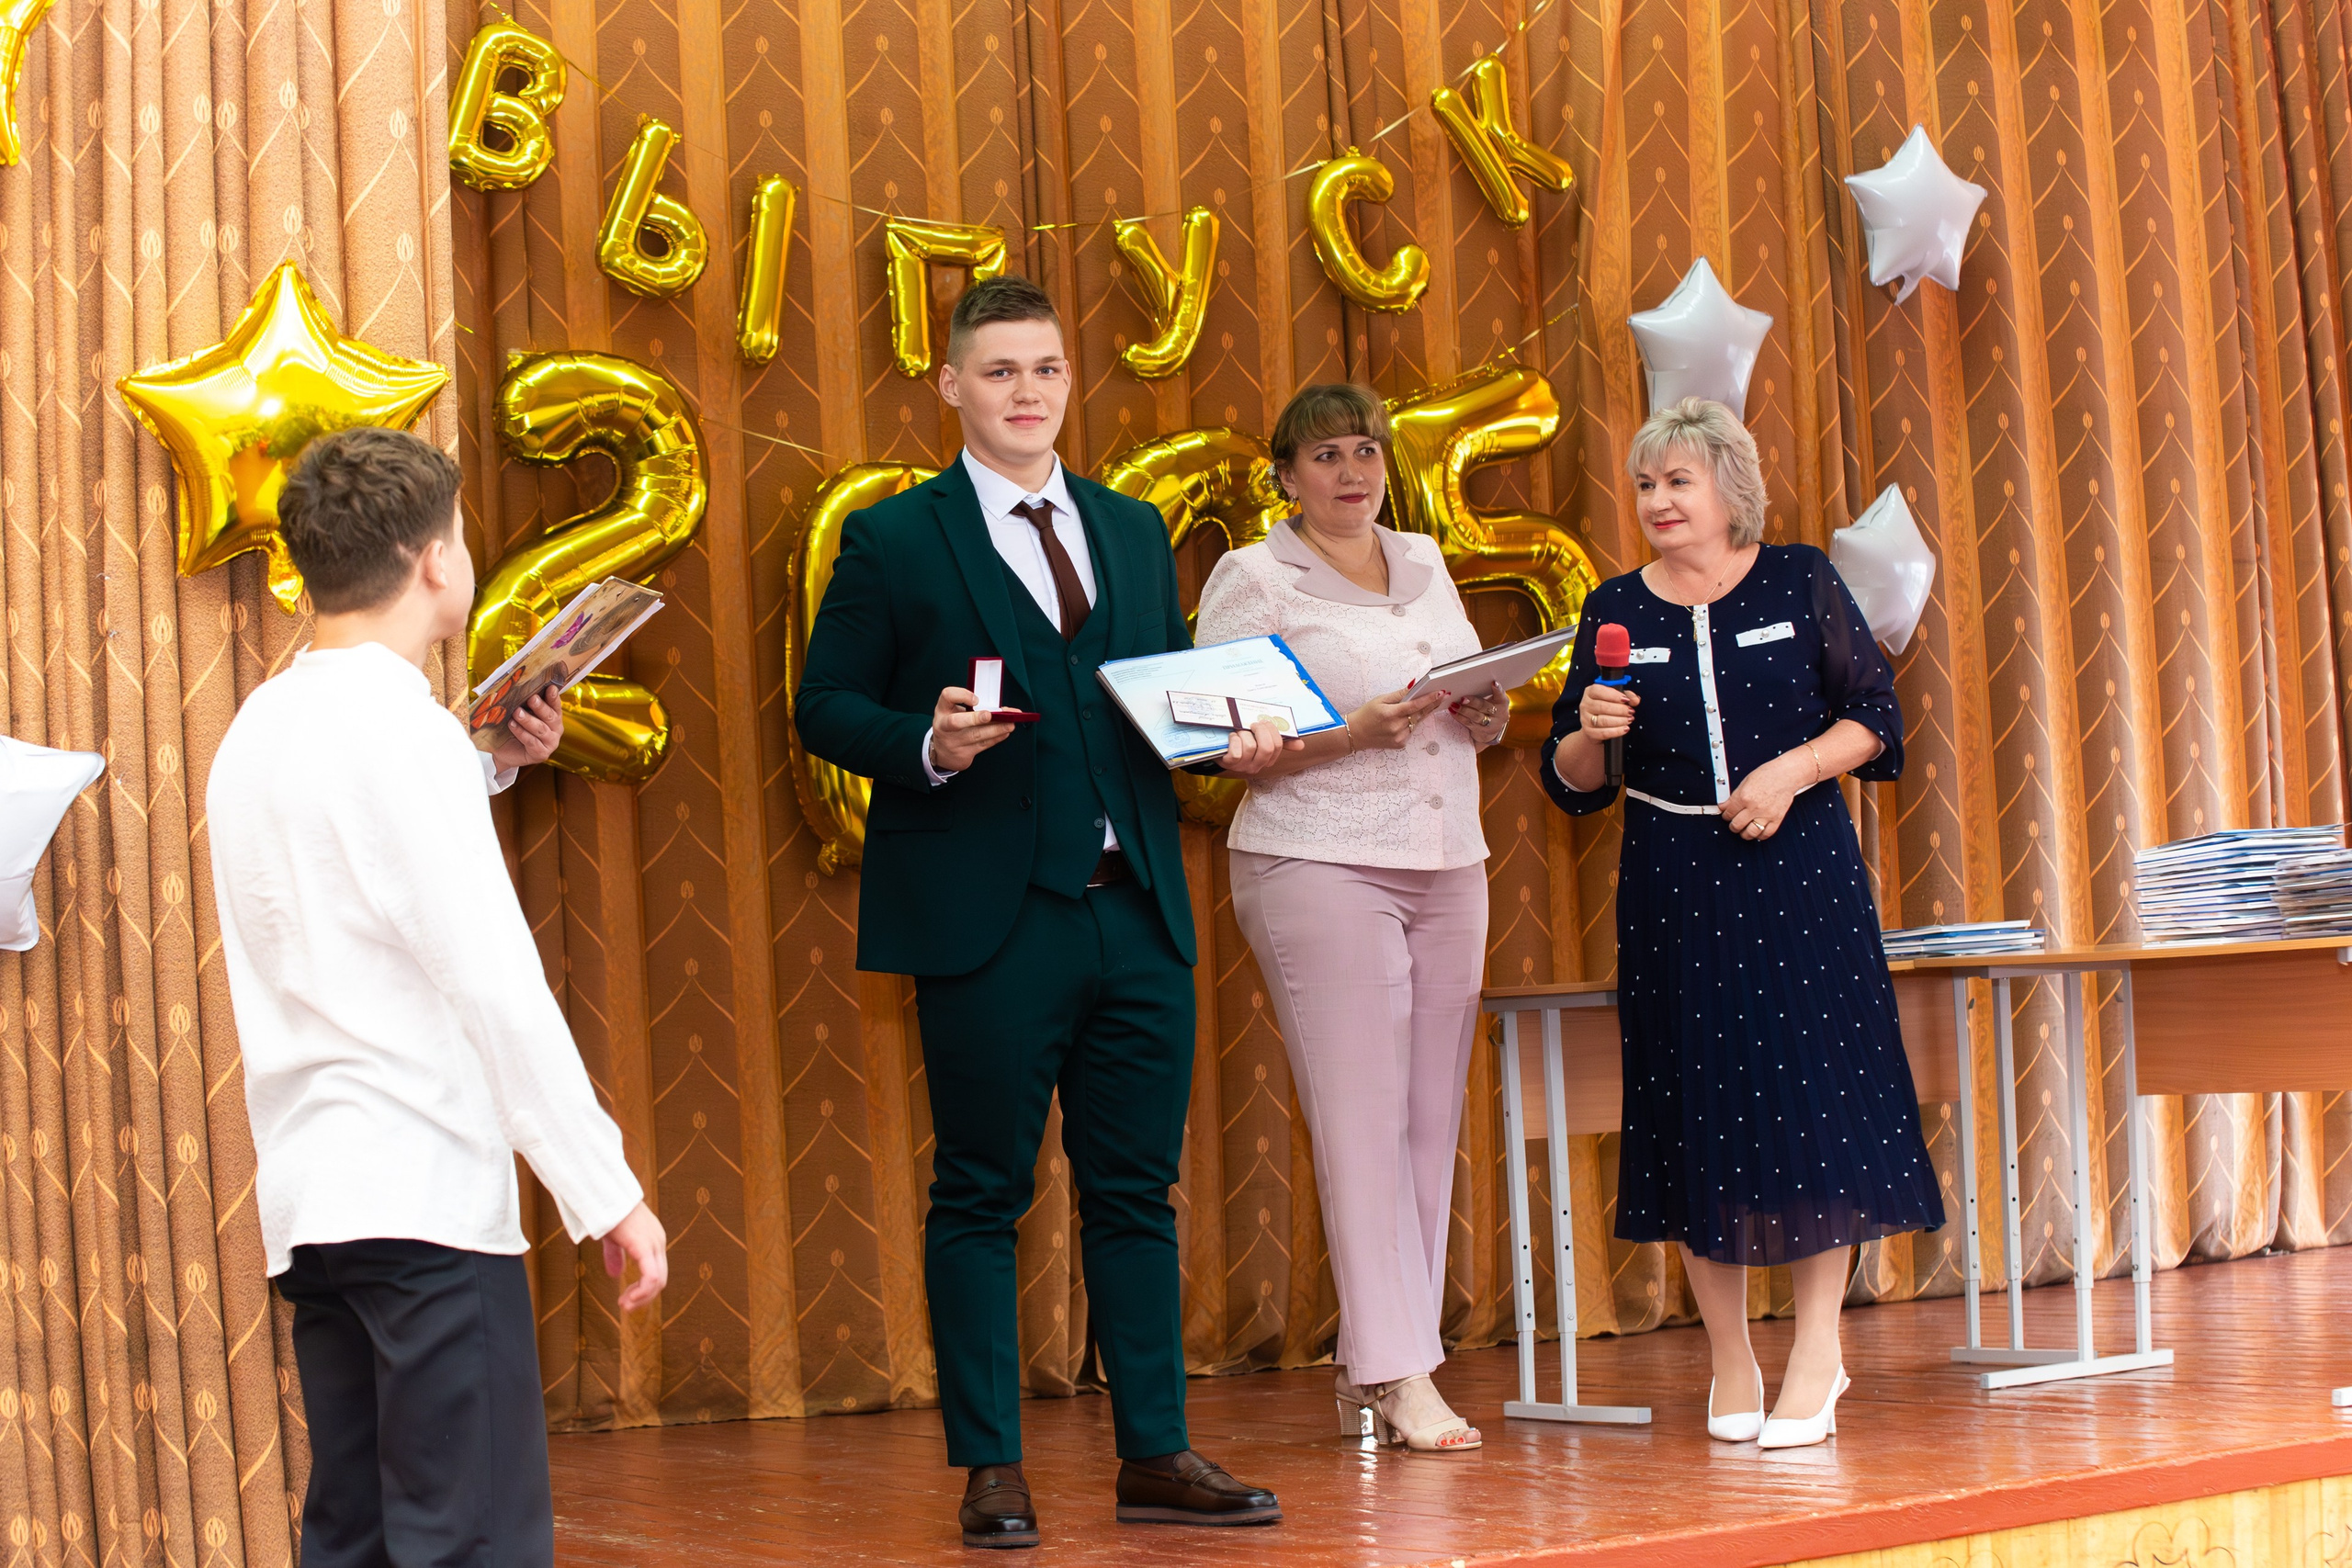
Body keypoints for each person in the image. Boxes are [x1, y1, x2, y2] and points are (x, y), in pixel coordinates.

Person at [794, 276, 1292, 1548]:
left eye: (1047, 370)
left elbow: (1154, 694)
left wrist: (1227, 741)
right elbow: (825, 703)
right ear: (952, 387)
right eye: (1001, 371)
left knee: (1137, 1189)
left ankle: (1157, 1450)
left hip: (1136, 909)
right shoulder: (897, 538)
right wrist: (929, 743)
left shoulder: (1130, 528)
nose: (1027, 392)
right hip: (986, 916)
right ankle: (991, 1465)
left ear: (1073, 383)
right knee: (980, 1189)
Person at [208, 428, 669, 1565]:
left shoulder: (259, 727)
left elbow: (352, 871)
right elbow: (494, 984)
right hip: (421, 1191)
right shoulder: (399, 733)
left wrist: (489, 759)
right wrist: (602, 1187)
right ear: (432, 562)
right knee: (470, 1542)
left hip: (317, 1201)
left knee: (359, 1539)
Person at [1540, 397, 1943, 1450]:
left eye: (1677, 480)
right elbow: (1572, 781)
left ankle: (1818, 1350)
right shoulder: (1614, 605)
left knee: (1816, 1104)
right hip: (1674, 880)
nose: (1657, 501)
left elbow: (1876, 716)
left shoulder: (1800, 578)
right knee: (1690, 1105)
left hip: (1801, 872)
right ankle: (1728, 1358)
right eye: (1643, 485)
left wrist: (1792, 769)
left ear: (1729, 488)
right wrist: (1589, 730)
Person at [1193, 383, 1508, 1454]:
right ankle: (1398, 1370)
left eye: (1364, 450)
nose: (1350, 472)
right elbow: (1226, 743)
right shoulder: (1251, 576)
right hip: (1316, 856)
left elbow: (1470, 702)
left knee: (1427, 1119)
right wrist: (1352, 732)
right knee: (1361, 1117)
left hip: (1447, 856)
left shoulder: (1423, 558)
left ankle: (1378, 1356)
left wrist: (1489, 707)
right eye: (1324, 455)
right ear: (1285, 476)